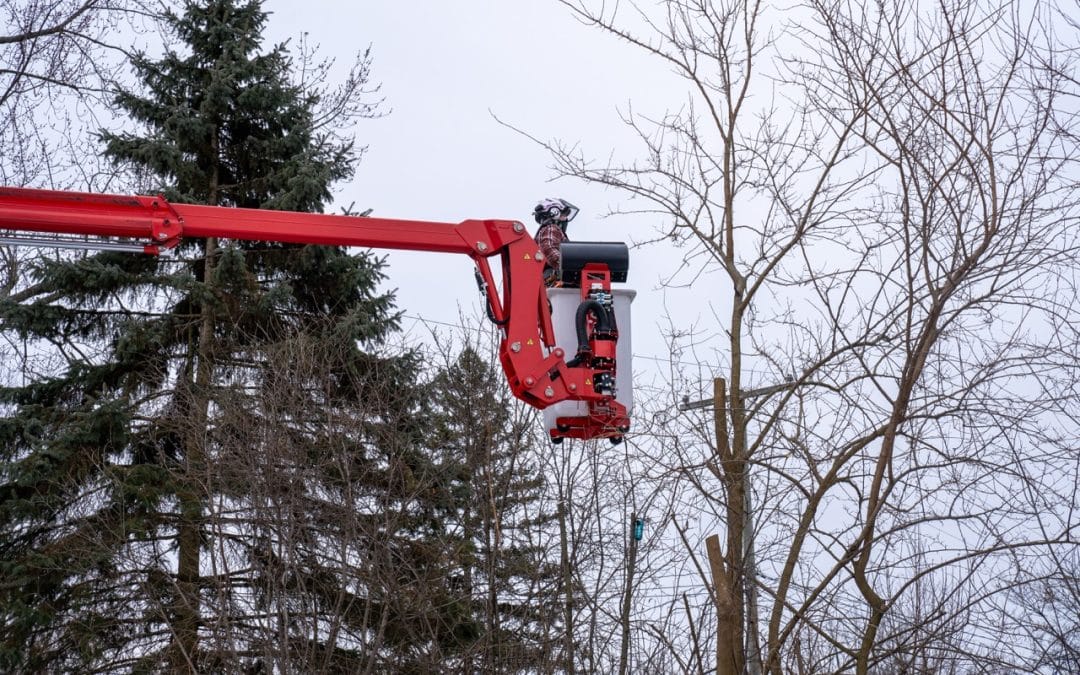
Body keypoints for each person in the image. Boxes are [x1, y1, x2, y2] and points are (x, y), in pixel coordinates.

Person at [533, 197, 579, 287]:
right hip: (553, 277)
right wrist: (570, 266)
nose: (566, 219)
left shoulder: (546, 229)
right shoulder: (551, 228)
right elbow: (548, 248)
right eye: (564, 215)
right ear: (554, 212)